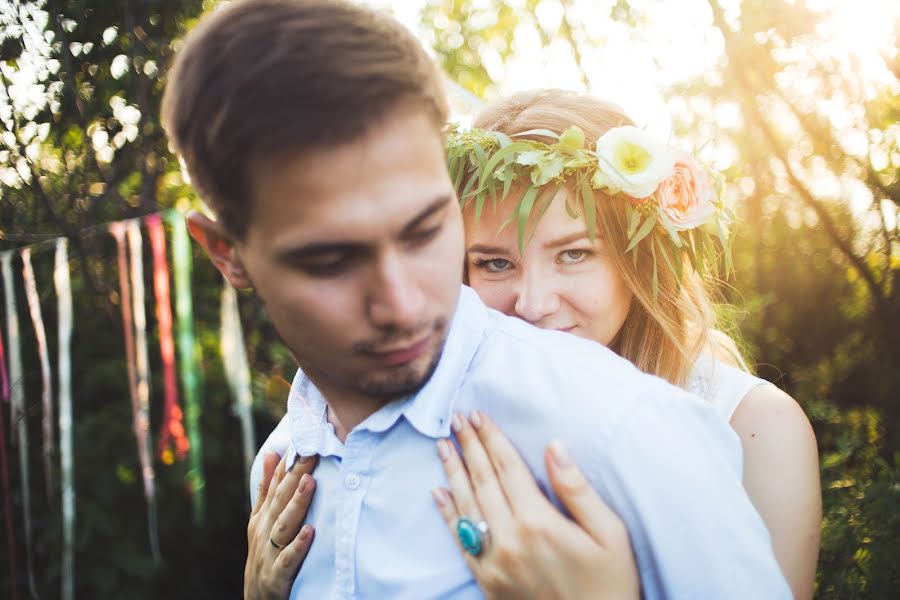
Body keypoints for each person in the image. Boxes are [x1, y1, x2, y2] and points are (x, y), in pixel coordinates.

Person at [161, 1, 791, 598]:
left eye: (425, 230)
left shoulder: (624, 427)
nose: (403, 305)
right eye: (330, 261)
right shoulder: (279, 469)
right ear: (227, 254)